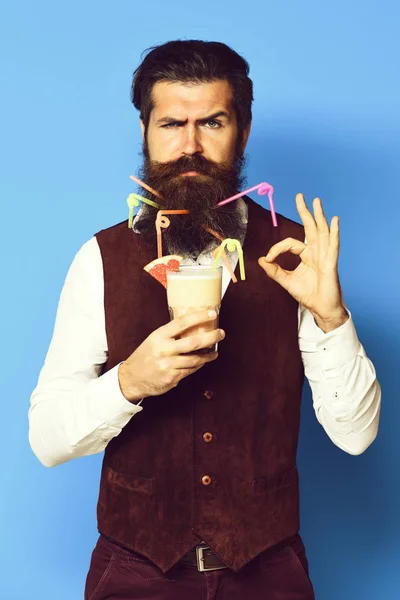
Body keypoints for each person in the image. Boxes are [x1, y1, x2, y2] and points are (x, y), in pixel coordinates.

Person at [29, 40, 381, 600]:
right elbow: (46, 440)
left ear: (242, 131)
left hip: (270, 574)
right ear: (145, 130)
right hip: (134, 573)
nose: (189, 147)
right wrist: (129, 383)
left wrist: (332, 316)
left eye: (212, 121)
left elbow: (357, 438)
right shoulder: (101, 258)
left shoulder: (296, 254)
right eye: (171, 123)